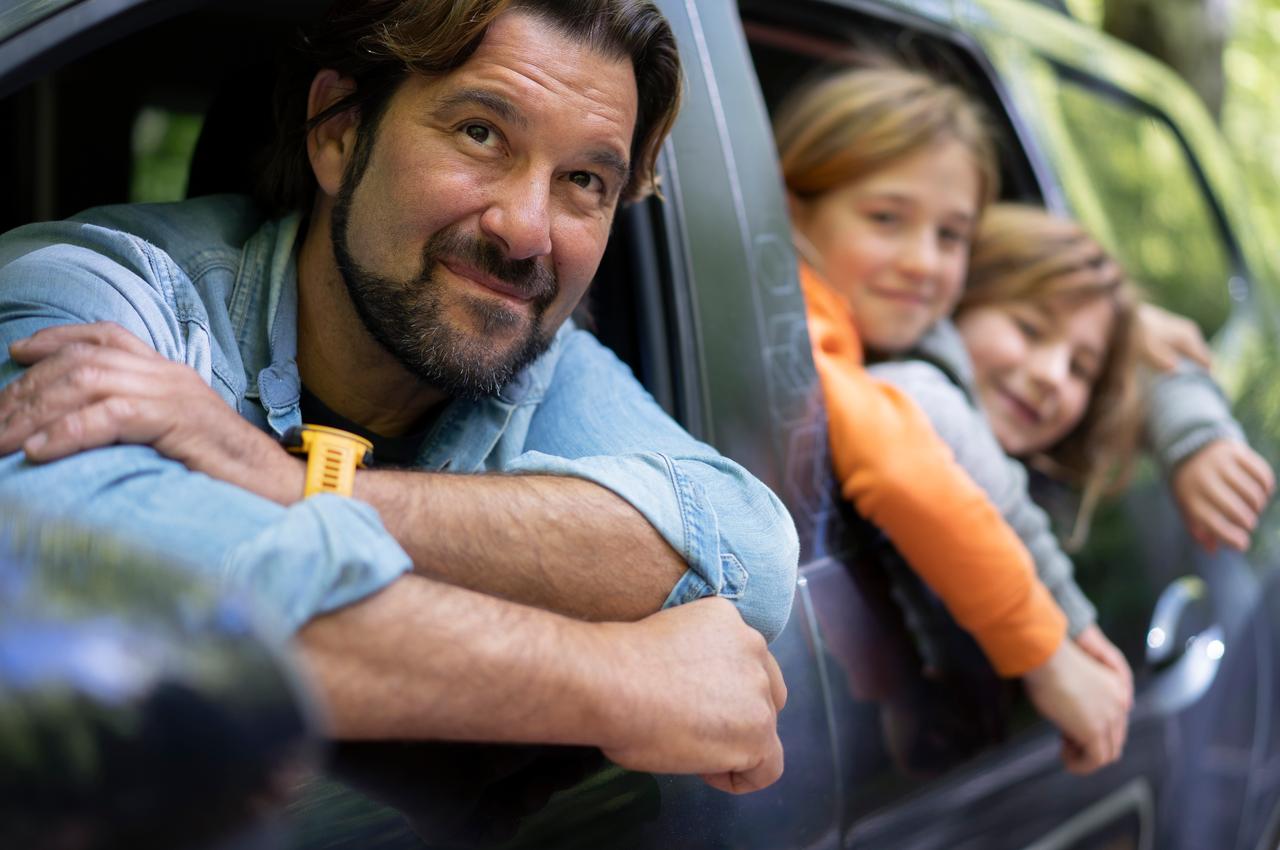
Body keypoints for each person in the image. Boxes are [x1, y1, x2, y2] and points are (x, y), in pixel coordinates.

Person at [0, 0, 799, 794]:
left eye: (583, 180)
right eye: (482, 134)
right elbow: (68, 571)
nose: (526, 230)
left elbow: (748, 552)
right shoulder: (96, 290)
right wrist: (618, 680)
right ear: (339, 134)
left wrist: (297, 484)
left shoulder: (532, 354)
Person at [773, 63, 1131, 774]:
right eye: (886, 219)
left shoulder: (819, 330)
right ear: (791, 210)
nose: (922, 262)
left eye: (951, 236)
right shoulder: (812, 333)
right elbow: (902, 469)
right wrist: (1045, 653)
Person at [946, 203, 1274, 554]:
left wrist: (1195, 438)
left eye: (1081, 369)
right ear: (953, 292)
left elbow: (1144, 373)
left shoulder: (1032, 517)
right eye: (1030, 329)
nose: (1052, 375)